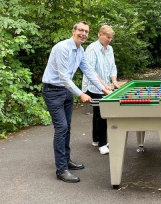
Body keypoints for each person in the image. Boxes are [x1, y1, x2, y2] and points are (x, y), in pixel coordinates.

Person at [42, 21, 112, 183]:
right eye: (80, 30)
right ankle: (61, 169)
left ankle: (66, 160)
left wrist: (103, 89)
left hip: (65, 91)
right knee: (61, 128)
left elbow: (89, 71)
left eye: (86, 31)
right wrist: (81, 94)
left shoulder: (80, 51)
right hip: (53, 91)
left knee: (67, 127)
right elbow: (64, 77)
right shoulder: (62, 48)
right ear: (73, 31)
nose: (83, 34)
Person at [82, 25, 119, 155]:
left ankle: (96, 139)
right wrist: (103, 85)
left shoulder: (110, 49)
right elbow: (90, 72)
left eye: (111, 38)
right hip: (92, 86)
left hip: (105, 86)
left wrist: (114, 81)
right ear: (100, 35)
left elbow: (112, 67)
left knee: (98, 112)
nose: (110, 40)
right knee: (103, 113)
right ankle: (103, 144)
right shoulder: (92, 49)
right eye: (108, 37)